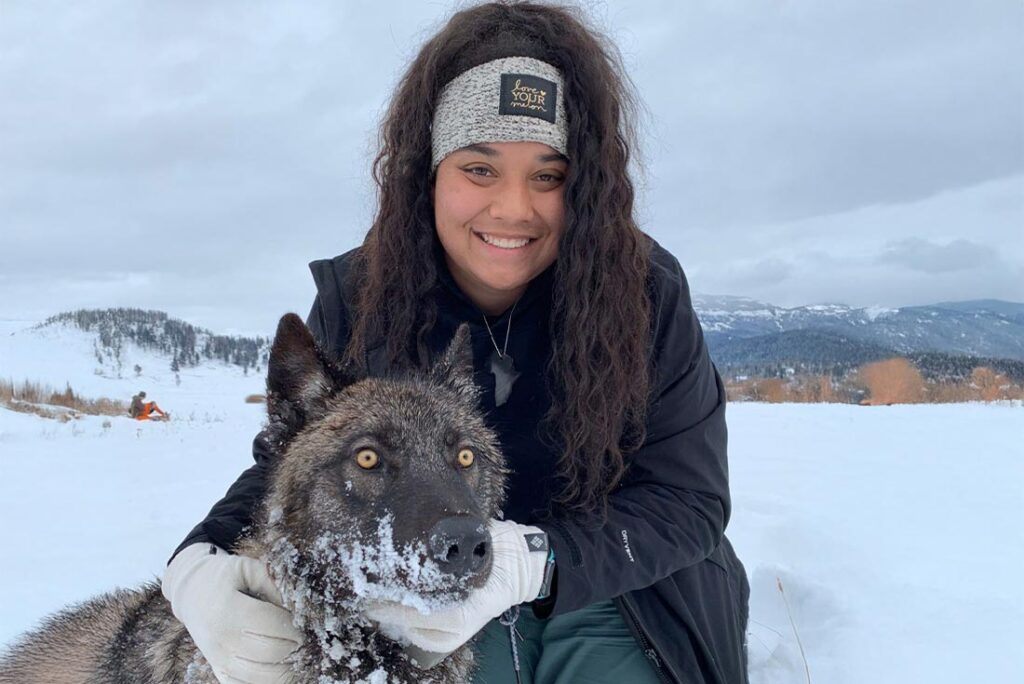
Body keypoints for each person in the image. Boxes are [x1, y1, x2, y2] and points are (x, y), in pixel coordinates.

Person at [160, 3, 750, 683]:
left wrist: (534, 560)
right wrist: (196, 562)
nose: (512, 209)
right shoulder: (360, 295)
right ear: (428, 172)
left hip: (624, 591)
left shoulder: (643, 293)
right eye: (479, 169)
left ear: (582, 186)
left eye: (548, 176)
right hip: (422, 591)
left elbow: (687, 500)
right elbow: (297, 456)